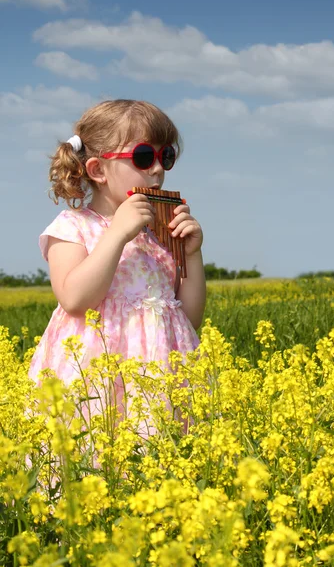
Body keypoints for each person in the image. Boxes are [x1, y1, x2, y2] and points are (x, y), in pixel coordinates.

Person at [29, 99, 206, 387]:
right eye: (145, 156)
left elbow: (189, 318)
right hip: (97, 377)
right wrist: (117, 234)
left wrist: (193, 255)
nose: (158, 168)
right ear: (98, 170)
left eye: (167, 156)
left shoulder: (159, 234)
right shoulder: (73, 227)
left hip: (159, 376)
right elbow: (74, 300)